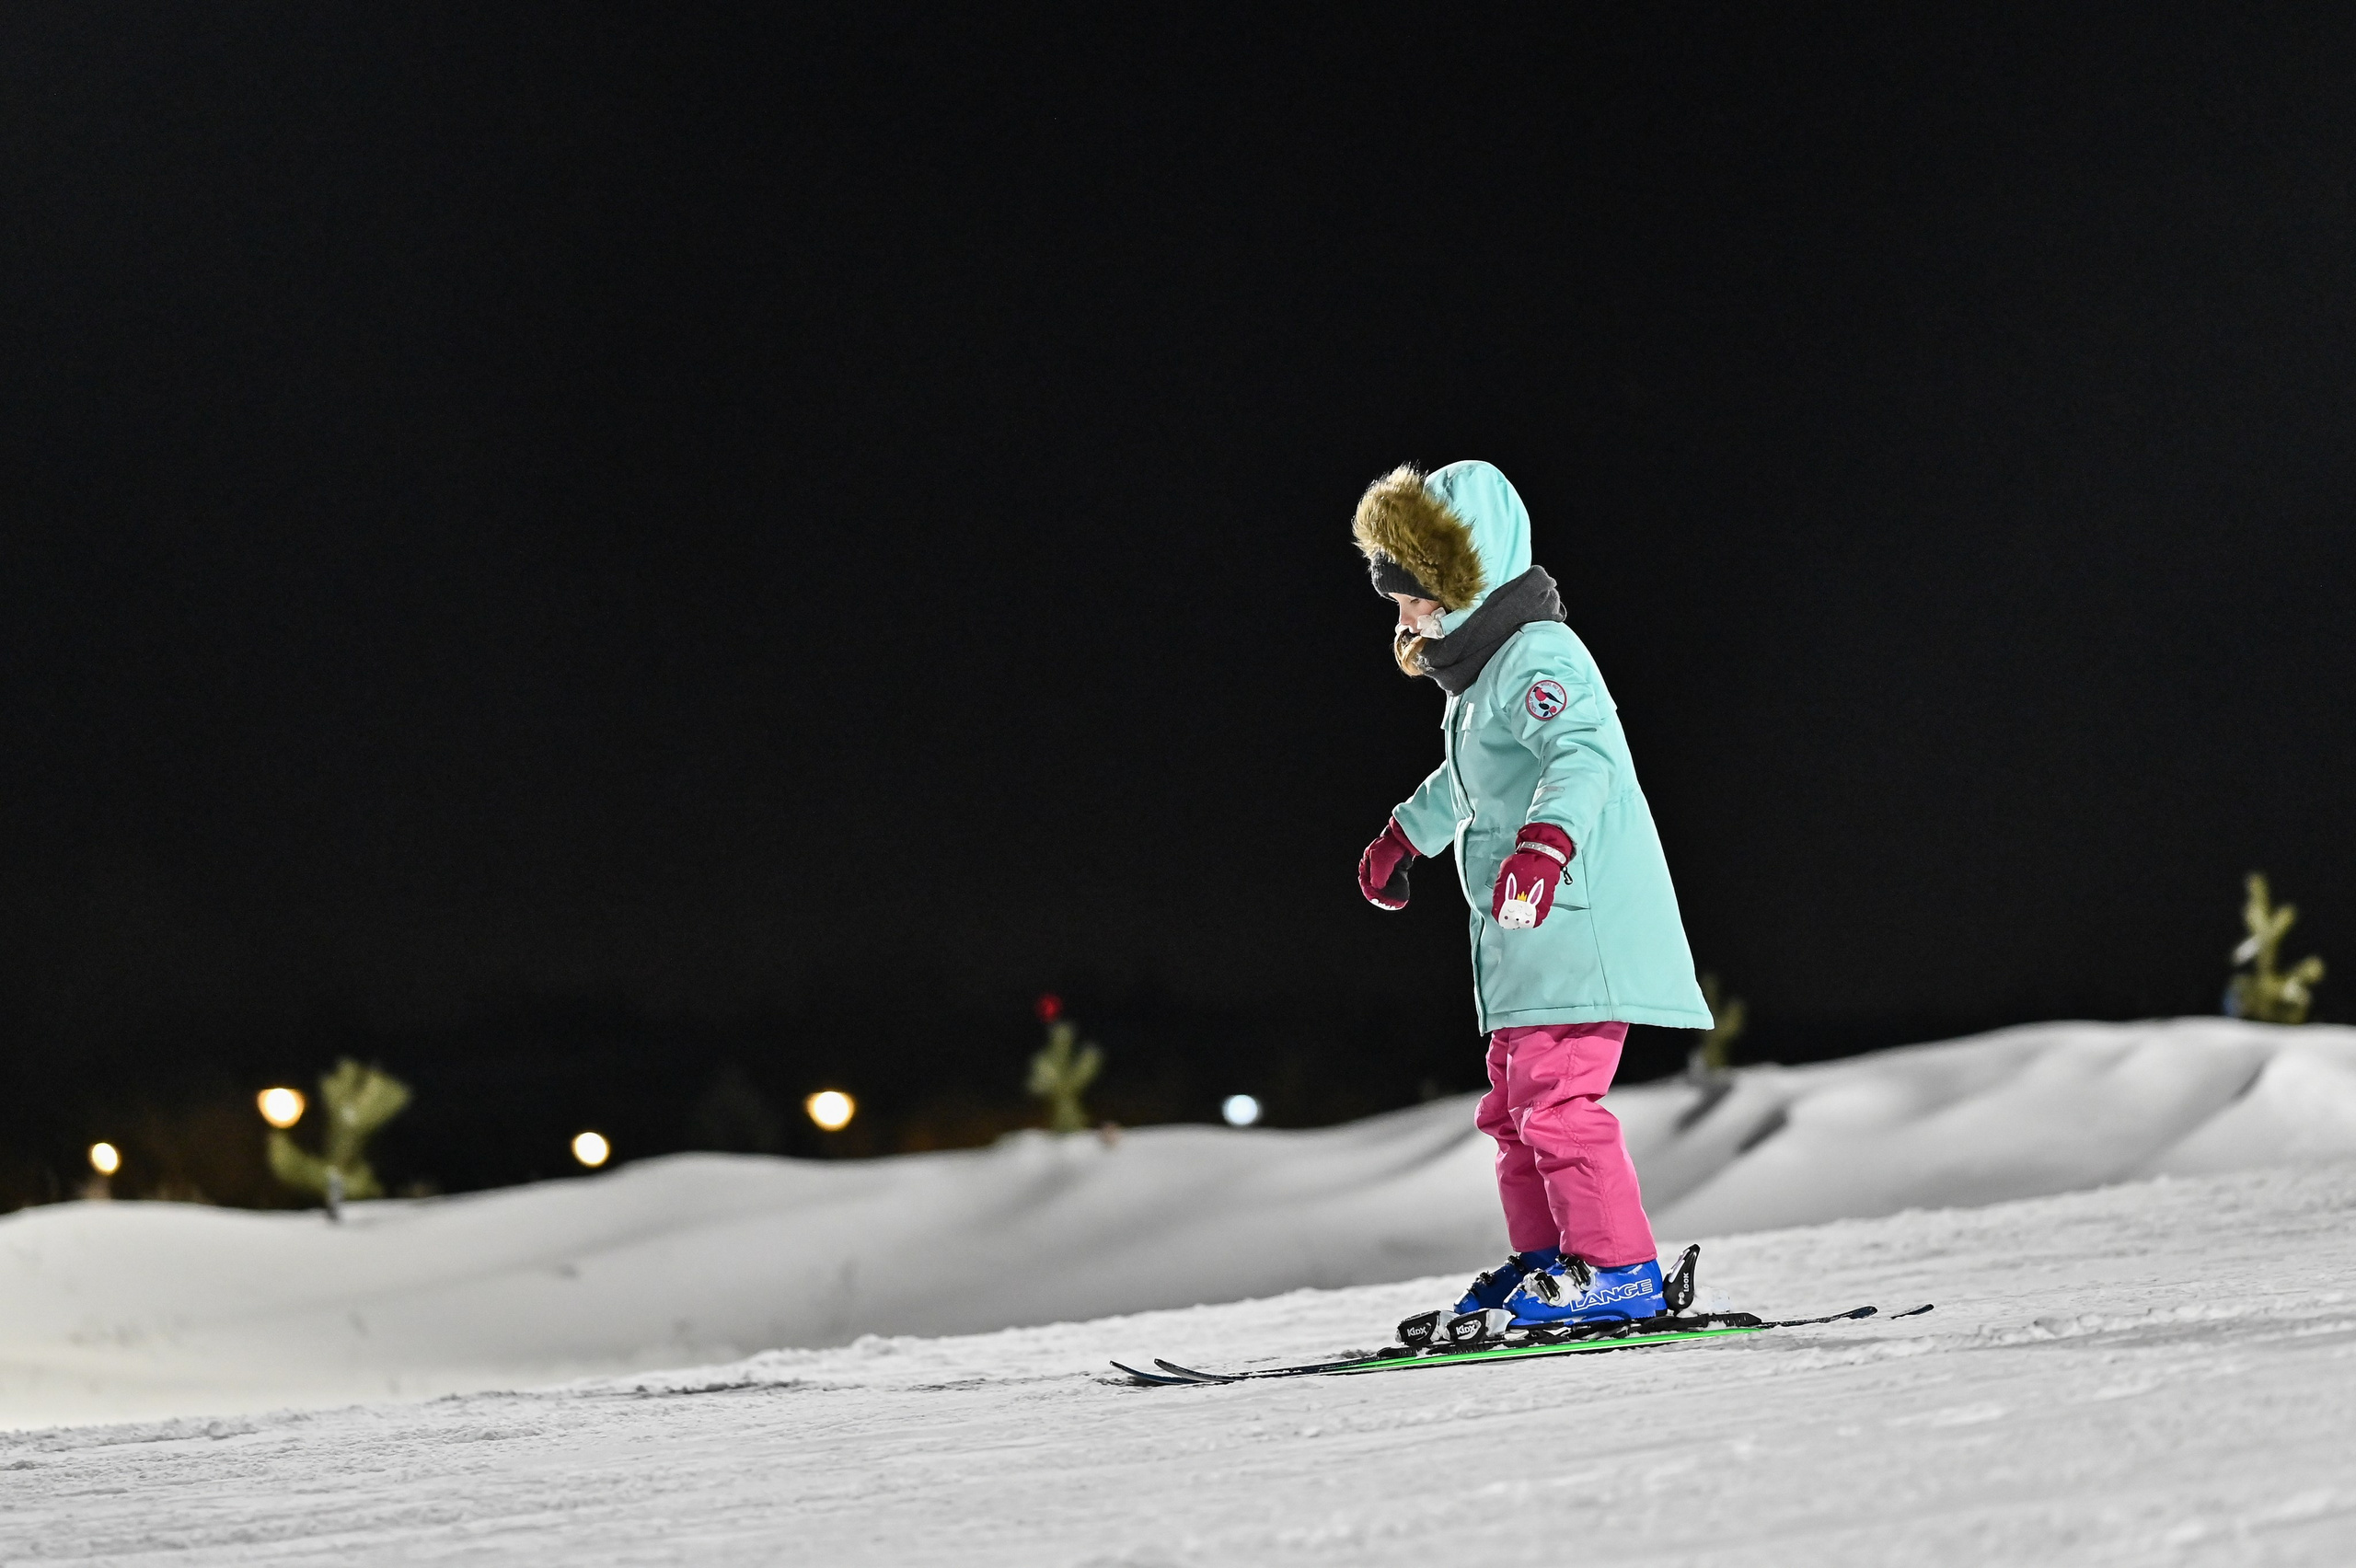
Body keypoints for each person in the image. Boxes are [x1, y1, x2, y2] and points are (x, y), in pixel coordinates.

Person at [1352, 461, 1713, 1327]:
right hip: (1521, 935)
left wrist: (1546, 846)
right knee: (1513, 1112)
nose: (1404, 616)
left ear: (1465, 578)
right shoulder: (1478, 688)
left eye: (1414, 596)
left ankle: (1618, 1271)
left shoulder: (1541, 656)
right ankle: (1550, 1263)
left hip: (1572, 918)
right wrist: (1406, 836)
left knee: (1556, 1103)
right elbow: (1467, 783)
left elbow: (1582, 754)